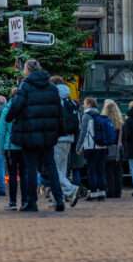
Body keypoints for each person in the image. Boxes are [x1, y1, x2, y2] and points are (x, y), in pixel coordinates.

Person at [5, 59, 66, 212]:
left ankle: (32, 202)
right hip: (48, 134)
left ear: (28, 70)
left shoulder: (25, 86)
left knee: (30, 168)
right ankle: (59, 199)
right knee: (51, 167)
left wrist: (9, 117)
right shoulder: (52, 88)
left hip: (29, 133)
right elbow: (59, 111)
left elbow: (16, 106)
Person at [54, 78, 83, 206]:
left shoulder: (55, 100)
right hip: (70, 137)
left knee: (54, 169)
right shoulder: (70, 100)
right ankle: (60, 197)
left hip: (57, 137)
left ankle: (71, 189)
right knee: (62, 169)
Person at [0, 86, 23, 210]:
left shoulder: (7, 109)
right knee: (25, 174)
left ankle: (12, 202)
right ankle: (25, 201)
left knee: (12, 175)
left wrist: (1, 148)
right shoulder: (25, 108)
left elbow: (1, 131)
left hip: (10, 146)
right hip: (24, 146)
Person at [77, 97, 106, 201]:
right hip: (102, 146)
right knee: (100, 170)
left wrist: (79, 146)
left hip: (90, 146)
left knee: (91, 170)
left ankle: (93, 194)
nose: (83, 105)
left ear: (89, 104)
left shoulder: (86, 116)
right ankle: (102, 193)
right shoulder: (100, 115)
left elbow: (83, 133)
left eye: (84, 103)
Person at [102, 99, 124, 198]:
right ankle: (118, 191)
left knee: (108, 171)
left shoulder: (104, 120)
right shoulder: (119, 121)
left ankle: (110, 191)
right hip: (118, 148)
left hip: (107, 147)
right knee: (118, 171)